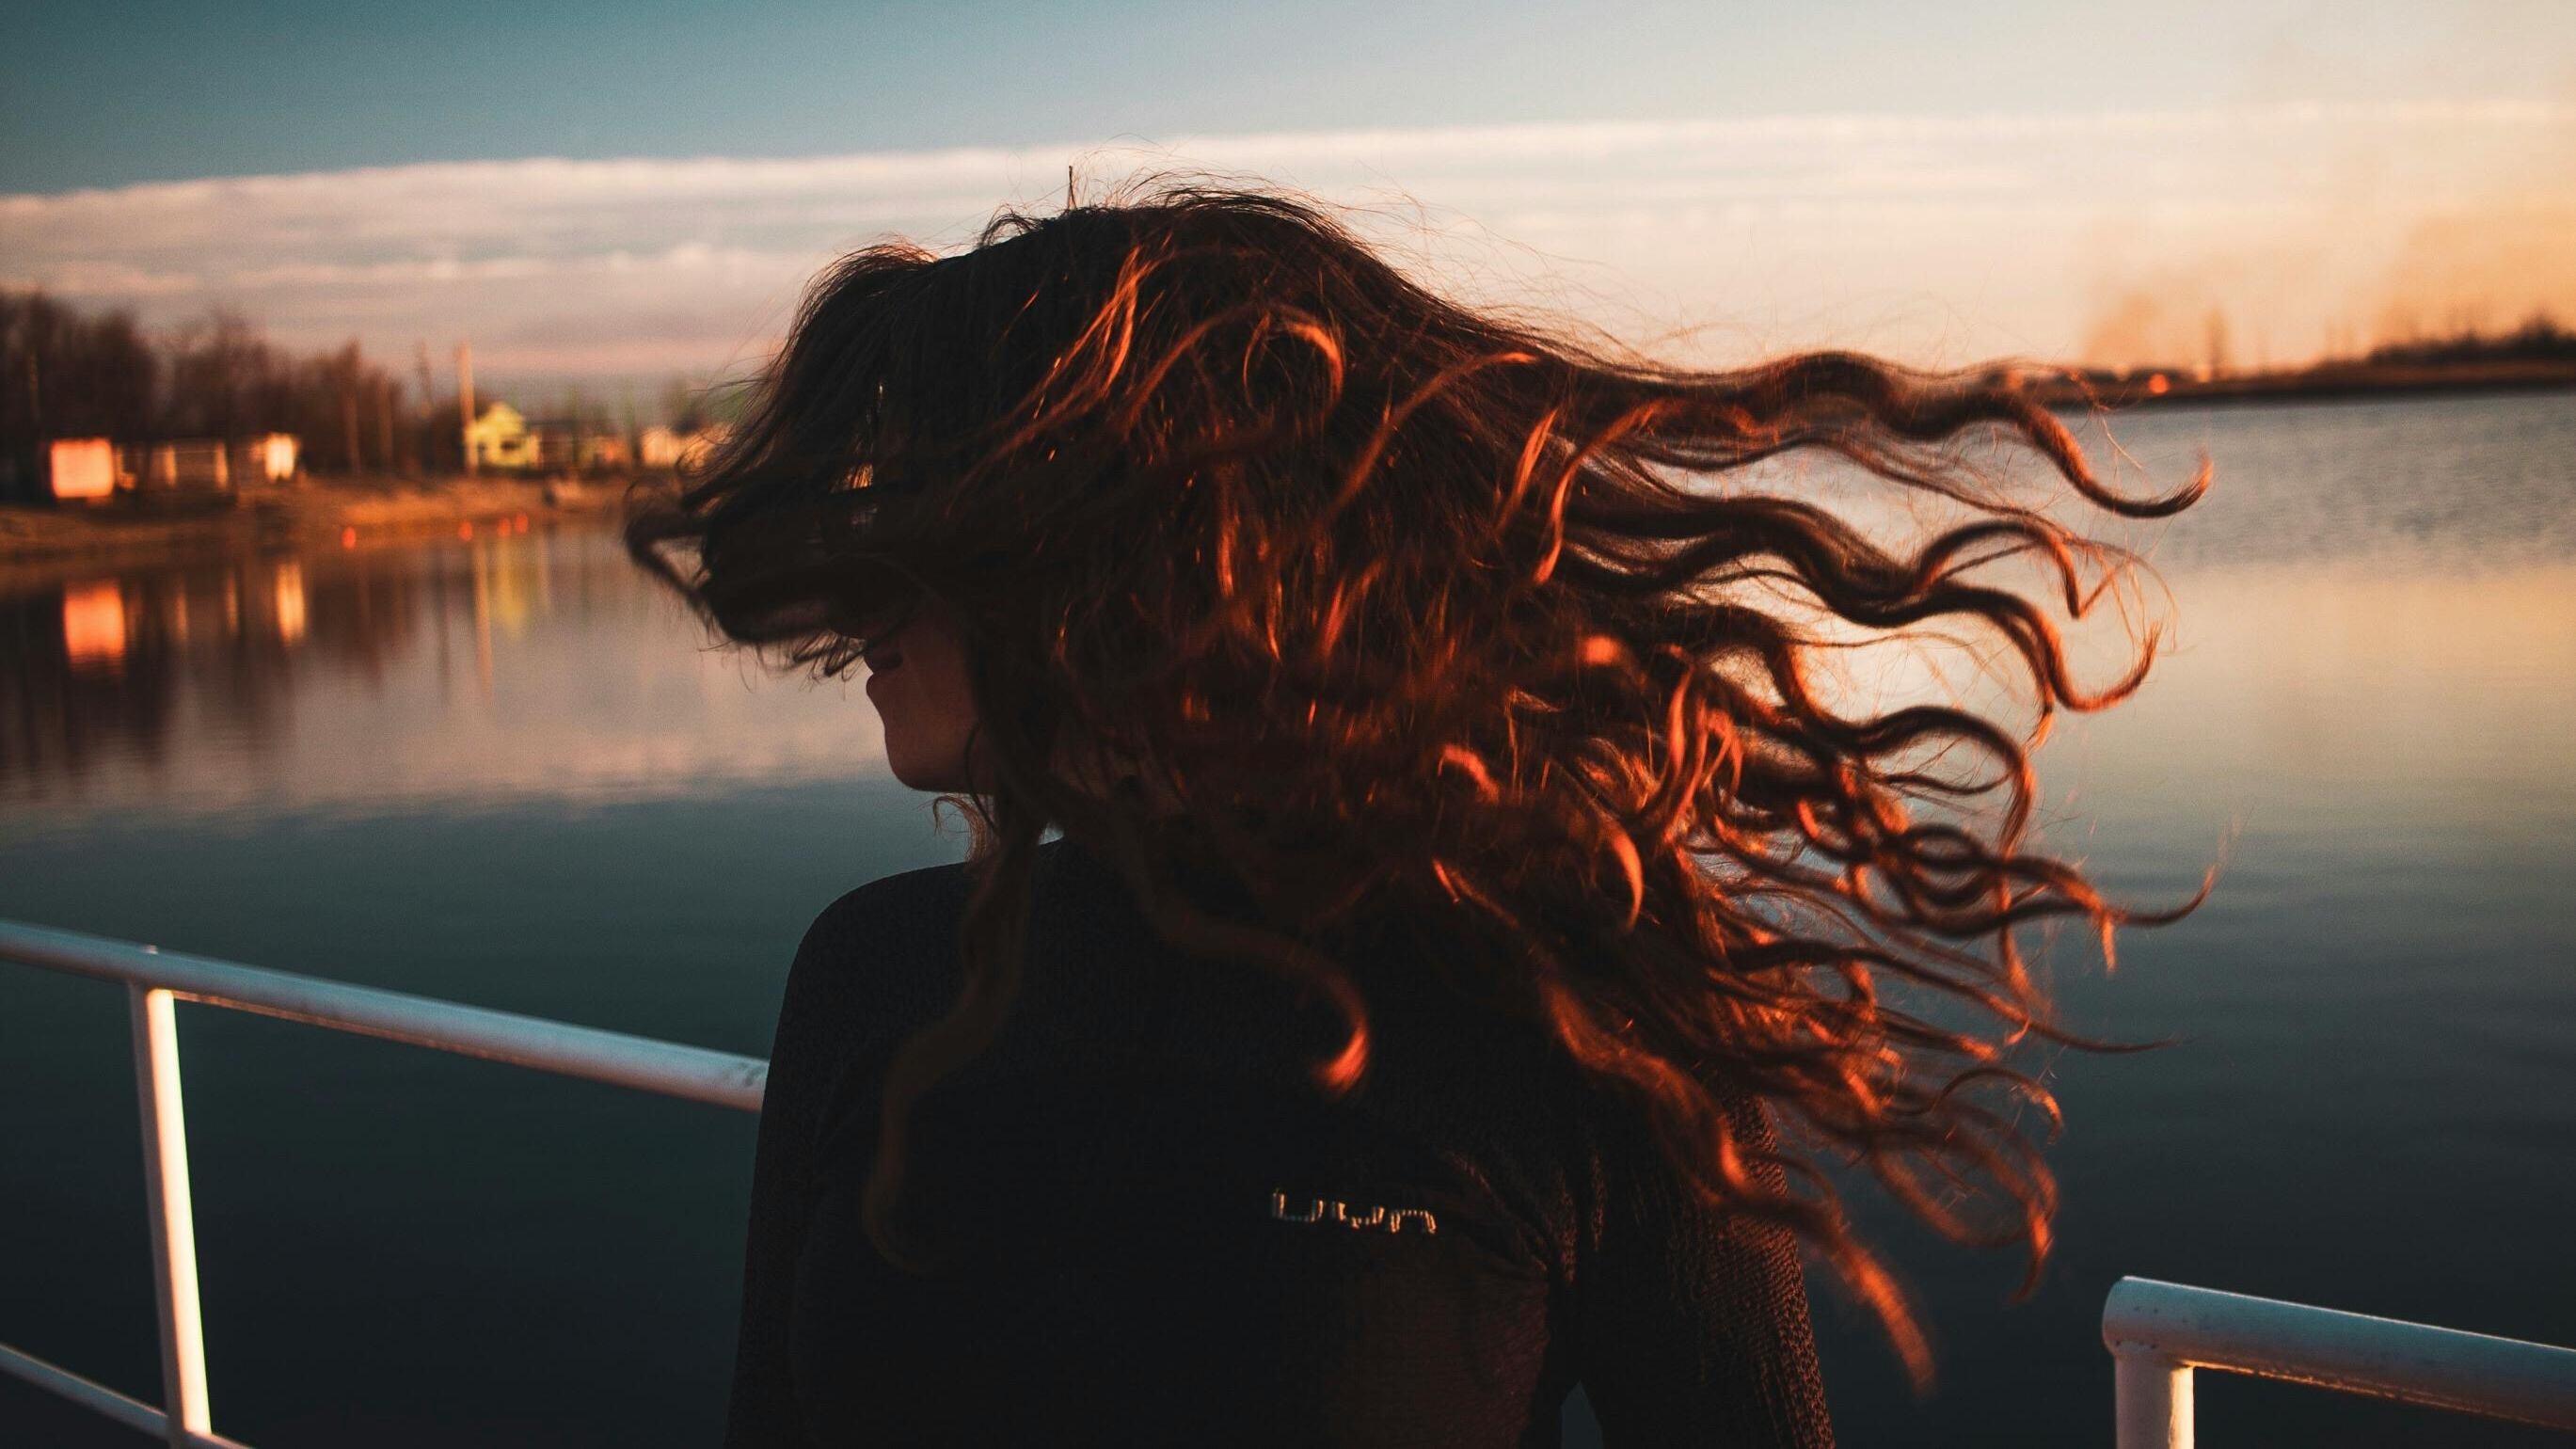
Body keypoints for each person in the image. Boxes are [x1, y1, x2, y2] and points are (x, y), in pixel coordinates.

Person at [626, 183, 2202, 1447]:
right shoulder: (874, 973)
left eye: (915, 523)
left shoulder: (1568, 1012)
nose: (855, 598)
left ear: (1132, 556)